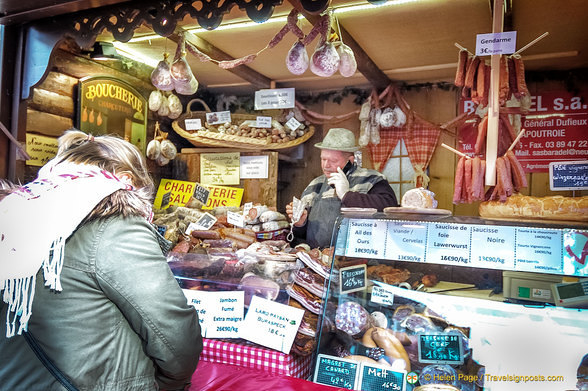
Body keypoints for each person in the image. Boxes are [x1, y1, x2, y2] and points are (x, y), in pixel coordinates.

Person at [0, 130, 202, 391]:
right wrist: (165, 384)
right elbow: (174, 333)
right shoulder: (116, 224)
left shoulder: (14, 212)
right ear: (126, 180)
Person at [286, 127, 398, 249]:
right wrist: (300, 224)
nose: (326, 165)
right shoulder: (314, 185)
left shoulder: (371, 179)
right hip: (318, 260)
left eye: (333, 160)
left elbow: (388, 207)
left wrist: (346, 194)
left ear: (350, 160)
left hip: (358, 260)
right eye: (323, 159)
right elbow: (301, 236)